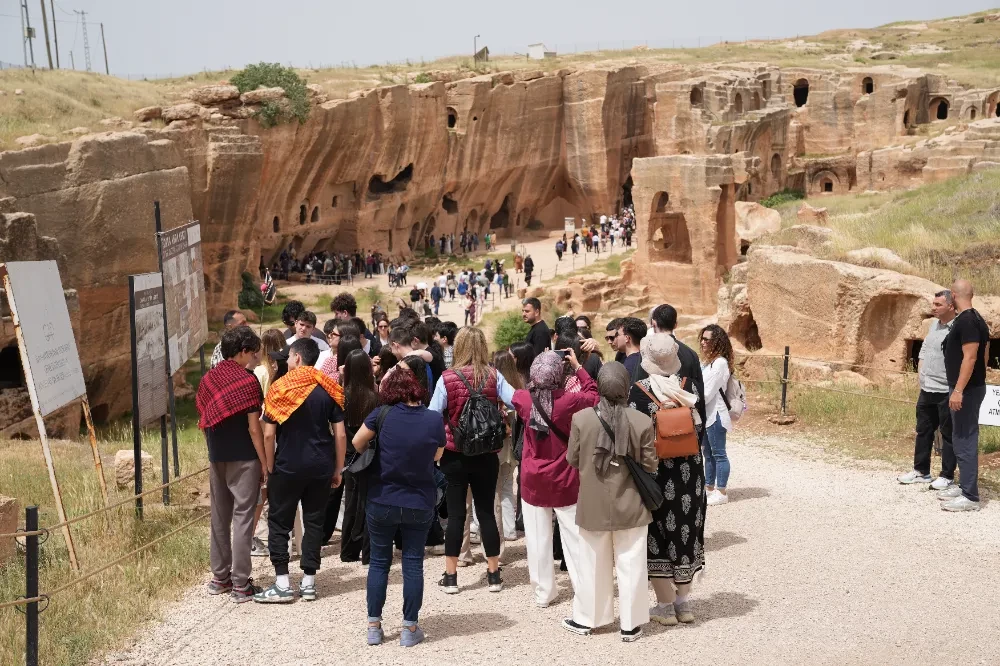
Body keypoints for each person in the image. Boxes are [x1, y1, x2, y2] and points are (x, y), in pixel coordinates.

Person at [353, 359, 444, 647]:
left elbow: (357, 442)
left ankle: (374, 627)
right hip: (419, 500)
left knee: (379, 563)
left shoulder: (381, 414)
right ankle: (409, 628)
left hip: (382, 497)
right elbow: (437, 455)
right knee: (413, 563)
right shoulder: (433, 419)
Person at [565, 362, 657, 640]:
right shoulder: (642, 421)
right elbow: (650, 465)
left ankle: (588, 619)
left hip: (593, 503)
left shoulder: (582, 419)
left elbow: (572, 459)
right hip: (632, 504)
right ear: (627, 387)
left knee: (592, 563)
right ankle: (630, 624)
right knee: (632, 564)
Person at [254, 338, 347, 603]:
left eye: (288, 357)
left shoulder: (280, 388)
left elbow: (269, 434)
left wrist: (269, 465)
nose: (286, 362)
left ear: (296, 357)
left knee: (279, 522)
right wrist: (338, 468)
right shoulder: (328, 387)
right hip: (321, 465)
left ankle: (282, 583)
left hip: (287, 465)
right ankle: (309, 582)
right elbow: (340, 434)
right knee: (314, 521)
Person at [510, 349, 599, 608]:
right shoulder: (569, 401)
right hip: (564, 476)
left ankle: (544, 593)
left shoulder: (523, 399)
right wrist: (578, 367)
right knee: (574, 537)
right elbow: (594, 394)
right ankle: (583, 588)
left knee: (537, 538)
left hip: (533, 478)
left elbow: (512, 392)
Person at [628, 333, 704, 626]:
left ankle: (664, 606)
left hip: (656, 474)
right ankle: (683, 604)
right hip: (690, 474)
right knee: (686, 531)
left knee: (656, 535)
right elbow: (701, 430)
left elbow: (635, 438)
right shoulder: (689, 388)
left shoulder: (638, 393)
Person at [428, 327, 508, 594]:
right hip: (487, 454)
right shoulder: (494, 375)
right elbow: (514, 400)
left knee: (456, 515)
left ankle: (451, 577)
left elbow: (433, 415)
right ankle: (494, 574)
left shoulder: (447, 378)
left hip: (455, 454)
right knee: (485, 513)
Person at [197, 326, 267, 603]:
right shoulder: (248, 381)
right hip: (244, 457)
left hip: (217, 456)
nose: (254, 357)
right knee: (243, 518)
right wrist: (264, 463)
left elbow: (205, 420)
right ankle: (240, 584)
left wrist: (213, 452)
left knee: (219, 516)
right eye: (252, 352)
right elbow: (254, 428)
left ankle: (220, 578)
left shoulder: (208, 380)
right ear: (242, 351)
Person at [940, 279, 990, 512]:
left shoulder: (968, 321)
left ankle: (970, 496)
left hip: (966, 390)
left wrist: (959, 390)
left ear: (953, 295)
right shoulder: (975, 318)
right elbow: (984, 356)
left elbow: (970, 358)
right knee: (960, 436)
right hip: (970, 387)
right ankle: (964, 486)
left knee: (964, 438)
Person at [898, 290, 957, 488]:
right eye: (933, 304)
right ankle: (921, 471)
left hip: (946, 390)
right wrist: (921, 376)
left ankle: (947, 476)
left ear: (950, 306)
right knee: (923, 431)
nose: (933, 307)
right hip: (927, 389)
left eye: (938, 304)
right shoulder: (933, 325)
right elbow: (924, 350)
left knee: (948, 435)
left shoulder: (957, 328)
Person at [340, 349, 380, 563]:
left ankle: (348, 551)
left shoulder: (341, 396)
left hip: (349, 455)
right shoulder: (374, 397)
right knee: (369, 502)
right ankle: (368, 552)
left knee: (351, 503)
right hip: (370, 454)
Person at [651, 304, 708, 428]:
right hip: (685, 424)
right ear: (675, 325)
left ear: (653, 323)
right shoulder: (691, 354)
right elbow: (699, 392)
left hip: (657, 425)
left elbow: (639, 389)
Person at [699, 324, 734, 506]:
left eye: (707, 339)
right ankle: (709, 488)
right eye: (702, 338)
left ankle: (721, 491)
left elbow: (706, 393)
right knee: (708, 453)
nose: (703, 342)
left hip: (716, 414)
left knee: (719, 454)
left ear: (717, 342)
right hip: (706, 414)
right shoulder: (706, 362)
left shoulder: (720, 363)